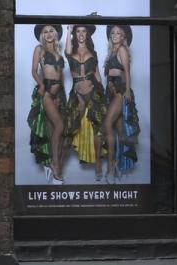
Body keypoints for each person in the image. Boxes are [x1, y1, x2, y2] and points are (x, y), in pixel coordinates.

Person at [65, 23, 107, 181]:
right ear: (75, 34)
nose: (81, 34)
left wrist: (102, 91)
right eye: (78, 31)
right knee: (71, 127)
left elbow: (96, 74)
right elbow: (67, 51)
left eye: (84, 31)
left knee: (98, 127)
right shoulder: (71, 51)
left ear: (87, 34)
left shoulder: (93, 52)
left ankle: (97, 164)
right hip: (78, 94)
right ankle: (59, 167)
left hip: (93, 90)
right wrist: (68, 30)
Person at [28, 24, 66, 184]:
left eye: (51, 31)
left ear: (56, 33)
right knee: (59, 126)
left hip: (59, 93)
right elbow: (34, 70)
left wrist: (63, 93)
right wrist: (42, 85)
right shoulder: (39, 49)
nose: (49, 34)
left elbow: (60, 75)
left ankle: (51, 164)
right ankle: (55, 165)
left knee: (54, 130)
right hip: (48, 92)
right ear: (42, 35)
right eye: (45, 32)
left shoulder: (58, 51)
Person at [103, 24, 140, 180]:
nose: (115, 34)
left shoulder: (122, 50)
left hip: (120, 92)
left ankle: (110, 166)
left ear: (123, 37)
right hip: (111, 93)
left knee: (107, 125)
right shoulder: (111, 52)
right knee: (118, 129)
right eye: (113, 32)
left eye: (118, 33)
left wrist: (126, 92)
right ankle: (117, 165)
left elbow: (127, 72)